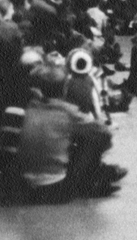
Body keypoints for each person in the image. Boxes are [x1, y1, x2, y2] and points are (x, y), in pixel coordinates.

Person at [15, 64, 126, 202]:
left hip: (24, 186)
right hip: (57, 190)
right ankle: (92, 182)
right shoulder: (67, 112)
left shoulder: (28, 107)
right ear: (64, 88)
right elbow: (104, 133)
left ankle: (99, 173)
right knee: (94, 138)